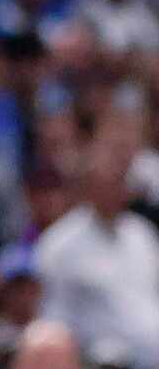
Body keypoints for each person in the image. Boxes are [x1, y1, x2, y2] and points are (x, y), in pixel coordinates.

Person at [31, 139, 159, 367]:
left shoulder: (142, 234)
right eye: (108, 182)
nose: (117, 189)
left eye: (120, 181)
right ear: (87, 187)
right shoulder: (59, 244)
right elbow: (52, 317)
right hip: (105, 360)